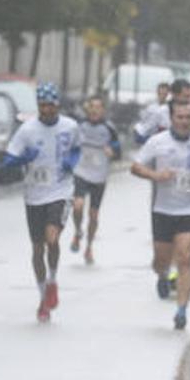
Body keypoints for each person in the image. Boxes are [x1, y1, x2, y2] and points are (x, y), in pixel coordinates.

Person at [0, 83, 82, 322]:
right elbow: (8, 159)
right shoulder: (27, 130)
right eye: (43, 105)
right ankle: (43, 297)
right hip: (34, 194)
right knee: (37, 249)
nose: (47, 109)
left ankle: (53, 279)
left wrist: (71, 162)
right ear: (38, 106)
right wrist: (23, 158)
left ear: (57, 105)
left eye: (51, 105)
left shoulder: (70, 126)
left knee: (52, 238)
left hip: (60, 190)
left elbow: (77, 148)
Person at [130, 101, 190, 330]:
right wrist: (156, 175)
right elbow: (135, 167)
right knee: (161, 260)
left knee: (185, 258)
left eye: (188, 118)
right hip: (164, 209)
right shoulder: (158, 142)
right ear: (171, 119)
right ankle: (162, 274)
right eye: (180, 117)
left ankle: (181, 310)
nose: (185, 122)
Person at [70, 95, 121, 264]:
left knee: (93, 215)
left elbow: (118, 151)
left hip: (99, 176)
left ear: (103, 110)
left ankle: (89, 246)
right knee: (77, 205)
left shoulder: (109, 128)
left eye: (98, 107)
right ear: (88, 109)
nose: (94, 110)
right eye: (92, 107)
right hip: (81, 171)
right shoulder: (79, 125)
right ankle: (78, 232)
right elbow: (70, 145)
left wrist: (112, 152)